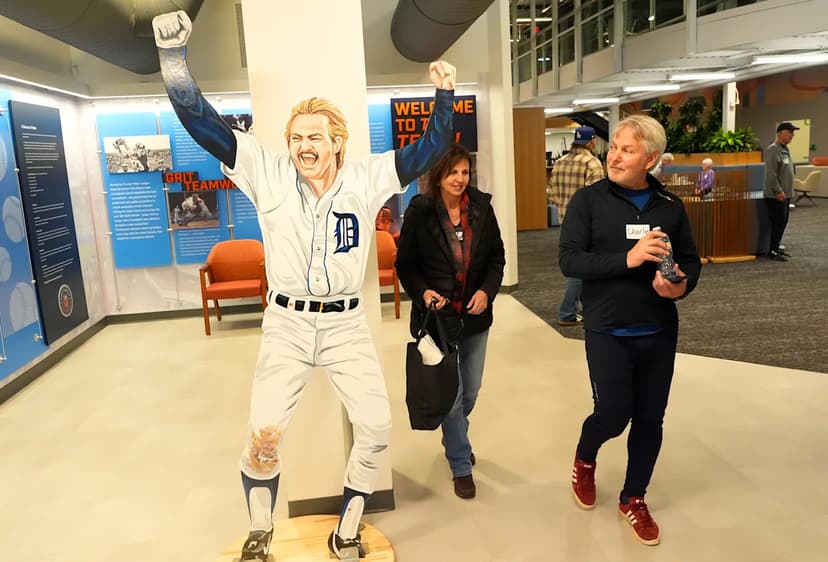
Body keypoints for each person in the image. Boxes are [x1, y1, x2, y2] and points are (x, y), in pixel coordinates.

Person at [153, 11, 456, 562]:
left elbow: (430, 149)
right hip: (287, 324)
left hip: (346, 324)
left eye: (315, 137)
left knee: (375, 427)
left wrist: (444, 95)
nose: (303, 146)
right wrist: (173, 62)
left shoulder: (366, 177)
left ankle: (348, 529)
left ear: (337, 142)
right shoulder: (267, 171)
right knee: (264, 431)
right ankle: (260, 531)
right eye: (296, 138)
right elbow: (203, 123)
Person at [559, 115, 702, 546]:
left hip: (657, 329)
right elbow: (570, 260)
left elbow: (690, 260)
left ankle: (633, 498)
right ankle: (585, 457)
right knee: (612, 414)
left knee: (650, 419)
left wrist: (680, 285)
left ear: (650, 159)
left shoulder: (669, 206)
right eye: (614, 147)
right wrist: (629, 258)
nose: (615, 157)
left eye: (627, 150)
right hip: (607, 329)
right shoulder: (589, 202)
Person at [395, 143, 505, 501]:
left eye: (464, 172)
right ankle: (460, 463)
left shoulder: (482, 209)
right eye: (452, 172)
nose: (459, 179)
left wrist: (487, 291)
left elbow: (497, 259)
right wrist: (423, 292)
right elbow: (405, 264)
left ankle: (457, 435)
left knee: (470, 390)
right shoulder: (420, 211)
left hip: (475, 318)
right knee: (452, 397)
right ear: (438, 175)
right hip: (437, 322)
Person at [548, 126, 605, 326]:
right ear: (591, 142)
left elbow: (552, 194)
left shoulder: (559, 162)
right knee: (581, 269)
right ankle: (567, 312)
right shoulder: (592, 163)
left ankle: (583, 308)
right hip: (587, 224)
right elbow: (597, 199)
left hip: (565, 222)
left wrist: (565, 209)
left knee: (575, 264)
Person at [763, 121, 798, 261]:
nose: (792, 135)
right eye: (790, 132)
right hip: (776, 195)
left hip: (785, 194)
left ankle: (776, 247)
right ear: (780, 133)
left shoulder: (785, 149)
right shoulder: (773, 149)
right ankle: (772, 251)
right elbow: (771, 173)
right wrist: (778, 191)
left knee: (782, 223)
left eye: (793, 133)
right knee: (777, 223)